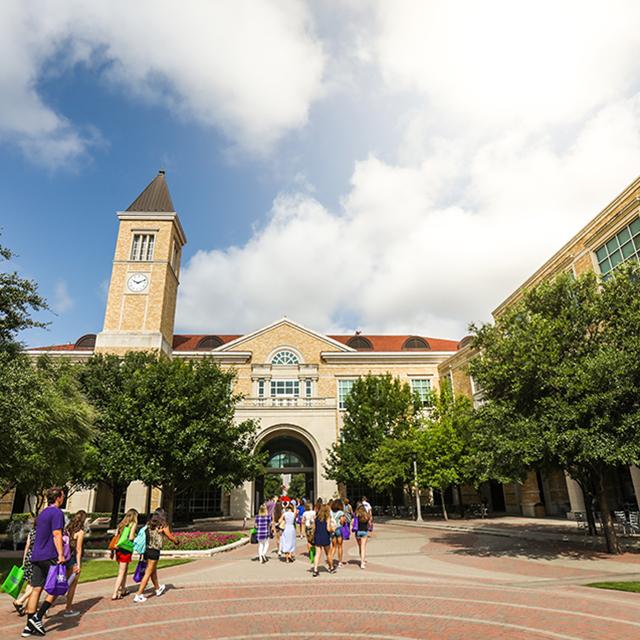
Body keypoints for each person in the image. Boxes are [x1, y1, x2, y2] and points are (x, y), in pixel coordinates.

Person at [21, 486, 66, 638]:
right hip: (50, 555)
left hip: (36, 555)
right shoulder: (57, 512)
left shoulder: (43, 513)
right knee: (57, 587)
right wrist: (60, 554)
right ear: (58, 497)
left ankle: (28, 626)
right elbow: (56, 534)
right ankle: (37, 618)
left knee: (36, 588)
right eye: (63, 495)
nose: (64, 498)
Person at [133, 511, 178, 603]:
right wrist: (176, 541)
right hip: (154, 551)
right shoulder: (163, 525)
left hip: (147, 550)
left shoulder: (149, 523)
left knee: (152, 571)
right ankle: (139, 594)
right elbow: (169, 536)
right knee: (148, 572)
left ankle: (158, 589)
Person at [63, 510, 87, 617]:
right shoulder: (80, 532)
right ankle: (68, 608)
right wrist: (78, 564)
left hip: (64, 558)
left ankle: (46, 607)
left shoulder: (67, 529)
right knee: (72, 585)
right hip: (72, 559)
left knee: (60, 583)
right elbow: (78, 549)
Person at [111, 509, 138, 601]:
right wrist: (136, 536)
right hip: (125, 550)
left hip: (118, 549)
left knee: (124, 570)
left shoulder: (121, 524)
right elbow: (131, 538)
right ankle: (115, 593)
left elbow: (116, 536)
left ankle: (122, 589)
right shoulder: (132, 524)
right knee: (121, 572)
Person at [13, 519, 36, 616]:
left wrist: (24, 559)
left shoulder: (32, 532)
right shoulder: (42, 533)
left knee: (30, 583)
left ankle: (27, 606)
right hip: (36, 559)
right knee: (37, 584)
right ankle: (20, 601)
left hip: (28, 557)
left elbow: (27, 546)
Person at [312, 504, 334, 577]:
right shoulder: (327, 518)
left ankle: (315, 570)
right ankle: (331, 567)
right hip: (325, 536)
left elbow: (314, 528)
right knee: (328, 553)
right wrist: (332, 529)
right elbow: (328, 528)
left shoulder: (316, 518)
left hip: (317, 536)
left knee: (317, 554)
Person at [330, 499, 346, 568]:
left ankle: (330, 559)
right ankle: (340, 562)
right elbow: (342, 522)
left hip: (332, 530)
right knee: (340, 546)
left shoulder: (330, 512)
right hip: (339, 529)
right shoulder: (341, 513)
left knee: (333, 546)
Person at [355, 504, 371, 569]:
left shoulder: (357, 515)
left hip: (358, 532)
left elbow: (353, 523)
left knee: (359, 547)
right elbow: (369, 524)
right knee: (363, 547)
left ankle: (361, 559)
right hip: (364, 532)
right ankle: (362, 562)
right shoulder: (367, 516)